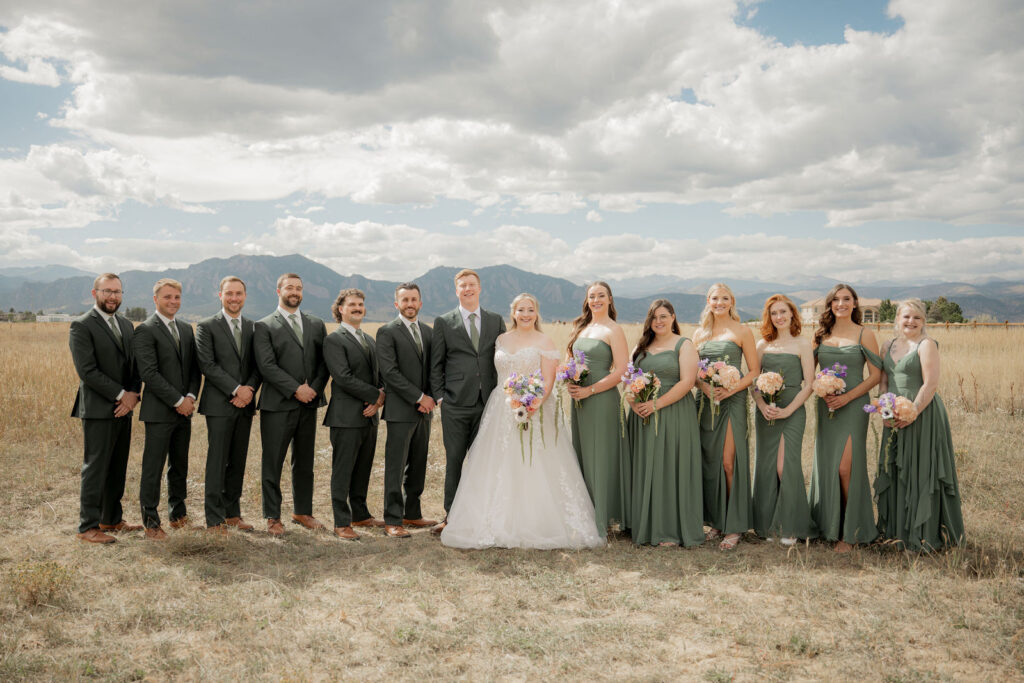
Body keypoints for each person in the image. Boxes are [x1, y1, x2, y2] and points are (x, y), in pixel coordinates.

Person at [441, 294, 604, 549]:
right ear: (513, 313)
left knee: (535, 463)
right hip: (500, 409)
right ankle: (494, 520)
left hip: (535, 408)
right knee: (497, 463)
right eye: (521, 310)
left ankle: (537, 521)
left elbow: (549, 381)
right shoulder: (501, 339)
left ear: (537, 313)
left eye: (530, 310)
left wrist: (533, 404)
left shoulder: (544, 340)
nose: (526, 314)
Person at [874, 299, 964, 551]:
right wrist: (885, 408)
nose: (911, 322)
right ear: (897, 319)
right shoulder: (887, 345)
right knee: (895, 469)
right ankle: (896, 532)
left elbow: (930, 384)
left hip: (922, 414)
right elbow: (883, 381)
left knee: (920, 470)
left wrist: (911, 411)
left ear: (924, 321)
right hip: (893, 415)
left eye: (917, 318)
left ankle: (925, 534)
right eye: (906, 317)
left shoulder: (926, 345)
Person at [429, 269, 506, 535]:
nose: (468, 289)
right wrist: (440, 396)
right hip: (455, 403)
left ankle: (482, 514)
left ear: (480, 288)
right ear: (456, 290)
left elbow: (504, 357)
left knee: (483, 461)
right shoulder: (444, 322)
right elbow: (436, 362)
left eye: (472, 284)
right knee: (455, 460)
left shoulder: (496, 321)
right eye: (463, 285)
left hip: (489, 404)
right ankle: (452, 516)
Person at [68, 273, 142, 543]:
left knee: (118, 465)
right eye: (107, 291)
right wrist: (122, 395)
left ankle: (111, 519)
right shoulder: (81, 325)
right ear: (94, 293)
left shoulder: (126, 324)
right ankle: (87, 527)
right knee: (96, 467)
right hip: (99, 408)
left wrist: (133, 394)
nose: (113, 296)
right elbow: (87, 371)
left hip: (126, 407)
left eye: (117, 292)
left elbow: (135, 366)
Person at [253, 273, 329, 536]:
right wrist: (296, 389)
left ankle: (302, 511)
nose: (294, 292)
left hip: (308, 404)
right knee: (273, 461)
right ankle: (273, 516)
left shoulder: (316, 324)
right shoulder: (263, 326)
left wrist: (314, 390)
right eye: (289, 287)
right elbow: (266, 366)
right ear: (278, 291)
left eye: (298, 287)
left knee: (305, 460)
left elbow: (323, 364)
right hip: (278, 404)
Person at [809, 283, 881, 552]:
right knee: (828, 467)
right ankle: (828, 526)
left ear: (854, 303)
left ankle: (851, 533)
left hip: (852, 407)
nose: (841, 304)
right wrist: (821, 388)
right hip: (826, 406)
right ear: (830, 304)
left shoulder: (865, 334)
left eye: (846, 299)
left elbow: (875, 375)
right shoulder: (819, 335)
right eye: (836, 300)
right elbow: (809, 372)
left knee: (845, 469)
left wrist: (847, 397)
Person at [625, 300, 703, 547]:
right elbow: (627, 379)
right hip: (641, 415)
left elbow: (687, 382)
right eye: (653, 317)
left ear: (673, 317)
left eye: (663, 316)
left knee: (669, 466)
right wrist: (635, 404)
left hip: (673, 412)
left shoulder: (684, 344)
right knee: (646, 466)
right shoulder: (640, 347)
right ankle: (643, 524)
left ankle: (669, 529)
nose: (658, 321)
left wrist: (657, 405)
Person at [134, 278, 202, 538]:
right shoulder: (145, 330)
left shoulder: (186, 329)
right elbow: (149, 373)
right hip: (160, 412)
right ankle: (150, 522)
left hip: (185, 411)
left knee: (179, 465)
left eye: (176, 297)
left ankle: (178, 514)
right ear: (155, 299)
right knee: (154, 467)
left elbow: (195, 369)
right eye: (167, 297)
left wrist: (191, 396)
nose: (173, 301)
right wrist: (177, 401)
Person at [693, 283, 759, 550]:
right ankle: (716, 523)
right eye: (715, 298)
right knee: (709, 464)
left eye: (725, 298)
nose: (719, 302)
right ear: (708, 301)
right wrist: (705, 387)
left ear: (732, 301)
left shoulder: (742, 331)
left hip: (733, 400)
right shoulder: (699, 333)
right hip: (706, 402)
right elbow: (693, 372)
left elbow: (754, 371)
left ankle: (735, 526)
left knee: (728, 462)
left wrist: (731, 388)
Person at [195, 276, 261, 532]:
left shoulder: (253, 327)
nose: (234, 298)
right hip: (219, 404)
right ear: (219, 295)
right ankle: (214, 518)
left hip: (245, 404)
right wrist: (235, 389)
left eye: (239, 293)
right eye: (229, 293)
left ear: (245, 296)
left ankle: (233, 513)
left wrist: (249, 390)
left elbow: (258, 365)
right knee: (217, 460)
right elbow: (207, 365)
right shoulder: (206, 326)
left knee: (238, 460)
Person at [566, 281, 631, 537]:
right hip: (579, 399)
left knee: (601, 455)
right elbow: (571, 360)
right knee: (582, 452)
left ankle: (603, 517)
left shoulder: (613, 330)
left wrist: (590, 390)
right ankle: (587, 512)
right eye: (592, 296)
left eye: (601, 295)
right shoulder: (582, 327)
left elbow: (622, 370)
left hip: (601, 398)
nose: (596, 300)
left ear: (610, 299)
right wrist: (569, 376)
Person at [751, 295, 816, 545]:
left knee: (784, 466)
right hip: (766, 411)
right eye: (774, 313)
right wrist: (761, 404)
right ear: (769, 317)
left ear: (792, 315)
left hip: (792, 409)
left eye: (783, 312)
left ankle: (791, 526)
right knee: (767, 467)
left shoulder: (802, 344)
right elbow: (754, 384)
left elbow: (809, 384)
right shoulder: (762, 345)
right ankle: (768, 525)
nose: (779, 317)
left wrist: (788, 411)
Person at [322, 288, 386, 540]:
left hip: (369, 416)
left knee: (363, 468)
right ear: (341, 309)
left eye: (360, 304)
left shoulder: (369, 340)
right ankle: (341, 521)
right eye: (352, 304)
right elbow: (343, 377)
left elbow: (380, 376)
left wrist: (380, 397)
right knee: (343, 469)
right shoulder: (334, 340)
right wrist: (375, 396)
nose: (357, 308)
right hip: (346, 416)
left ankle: (360, 514)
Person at [376, 283, 438, 537]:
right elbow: (389, 373)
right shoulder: (387, 332)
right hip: (401, 409)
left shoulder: (428, 331)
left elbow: (434, 368)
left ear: (420, 303)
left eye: (414, 299)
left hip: (426, 410)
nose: (410, 304)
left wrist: (432, 398)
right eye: (405, 300)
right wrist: (419, 397)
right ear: (397, 304)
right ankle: (392, 519)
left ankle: (412, 513)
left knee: (419, 463)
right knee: (395, 465)